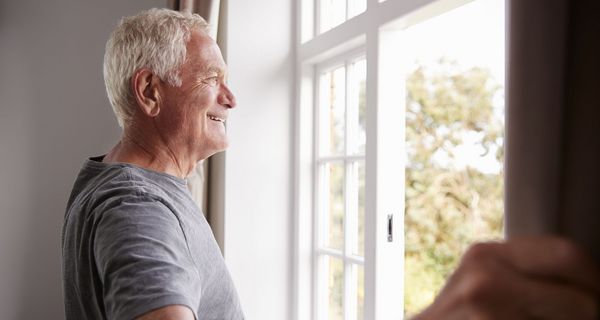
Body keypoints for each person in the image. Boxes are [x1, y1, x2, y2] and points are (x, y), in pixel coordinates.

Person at [62, 8, 600, 320]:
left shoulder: (116, 183)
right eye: (210, 80)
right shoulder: (138, 209)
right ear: (150, 92)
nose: (231, 98)